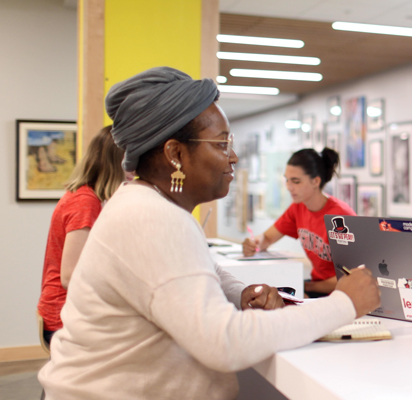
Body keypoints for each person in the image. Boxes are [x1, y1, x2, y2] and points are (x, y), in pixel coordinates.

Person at [38, 67, 381, 400]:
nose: (232, 157)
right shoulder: (150, 217)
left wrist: (239, 291)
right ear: (175, 154)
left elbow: (197, 269)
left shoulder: (149, 206)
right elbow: (224, 343)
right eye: (220, 144)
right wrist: (343, 305)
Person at [36, 126, 125, 348]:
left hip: (61, 311)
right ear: (117, 163)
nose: (134, 173)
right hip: (62, 317)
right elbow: (70, 276)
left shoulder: (85, 196)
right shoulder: (86, 202)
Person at [241, 148, 353, 296]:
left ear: (316, 181)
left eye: (296, 181)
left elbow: (351, 277)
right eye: (287, 180)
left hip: (339, 293)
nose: (288, 187)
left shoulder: (341, 216)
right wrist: (254, 244)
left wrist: (305, 287)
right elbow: (267, 238)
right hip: (316, 287)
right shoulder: (298, 208)